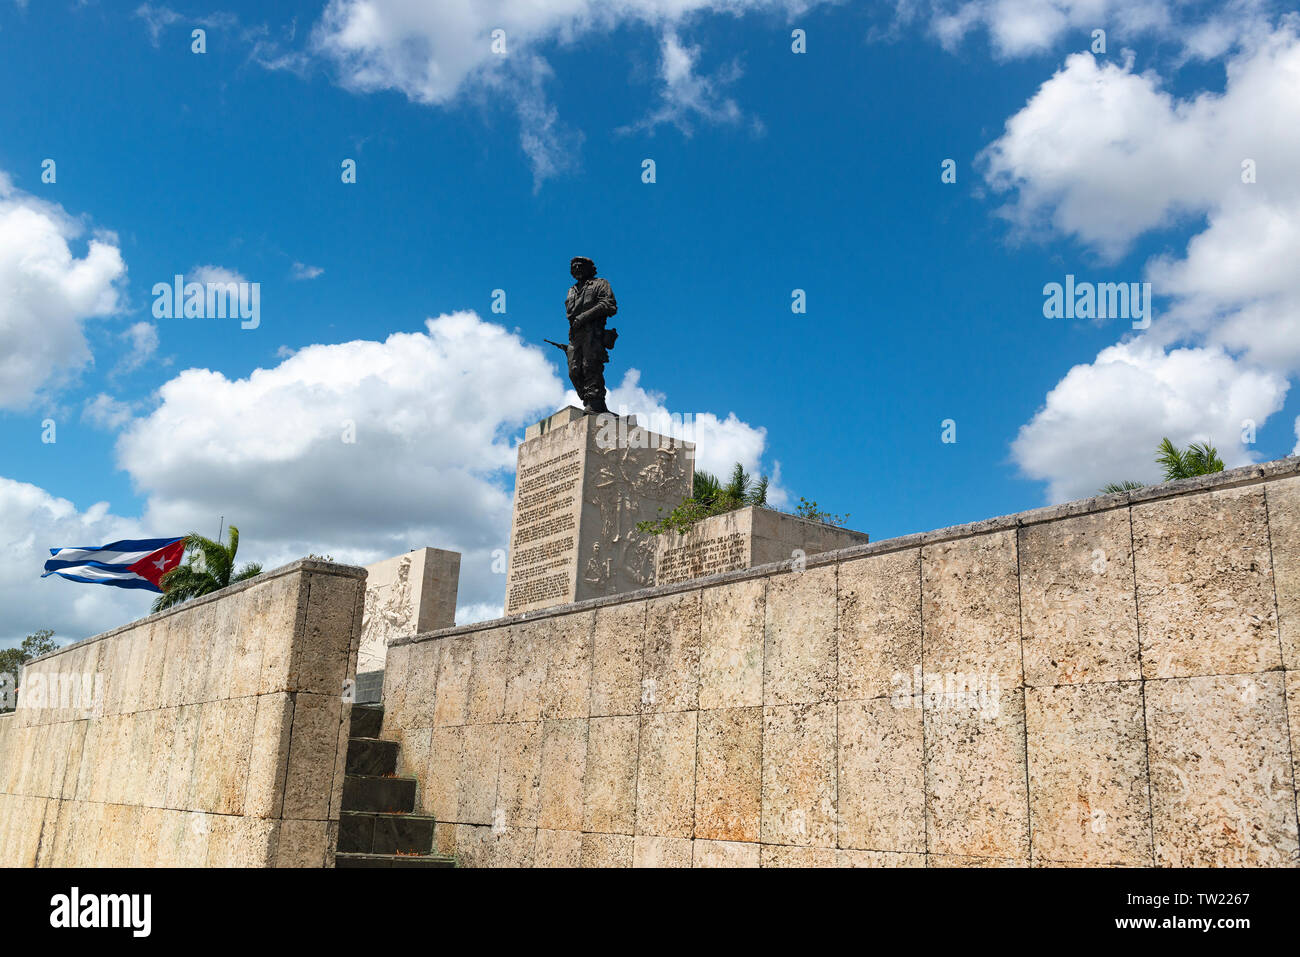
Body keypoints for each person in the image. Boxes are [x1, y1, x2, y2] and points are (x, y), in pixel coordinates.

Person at [564, 256, 618, 414]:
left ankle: (595, 402)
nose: (577, 268)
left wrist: (584, 317)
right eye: (574, 266)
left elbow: (609, 305)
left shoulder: (600, 284)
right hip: (575, 335)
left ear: (590, 268)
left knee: (591, 366)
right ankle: (589, 400)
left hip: (593, 332)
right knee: (574, 370)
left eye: (581, 265)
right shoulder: (571, 290)